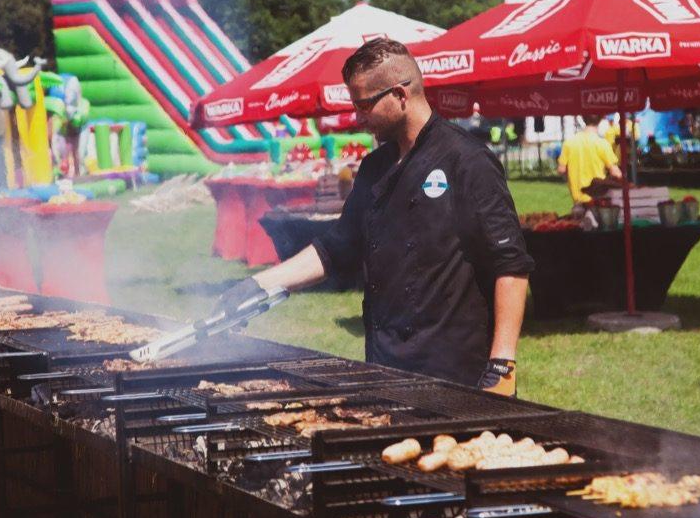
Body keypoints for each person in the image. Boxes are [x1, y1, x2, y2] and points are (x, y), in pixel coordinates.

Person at [216, 39, 533, 396]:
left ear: (399, 95)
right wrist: (259, 285)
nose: (357, 116)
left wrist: (502, 364)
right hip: (385, 364)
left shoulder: (467, 160)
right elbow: (336, 248)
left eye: (364, 104)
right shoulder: (374, 168)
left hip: (457, 370)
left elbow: (510, 264)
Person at [558, 114, 623, 215]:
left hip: (577, 199)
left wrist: (571, 178)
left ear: (583, 119)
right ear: (601, 120)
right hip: (597, 199)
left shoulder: (569, 142)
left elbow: (561, 169)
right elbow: (615, 172)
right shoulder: (602, 143)